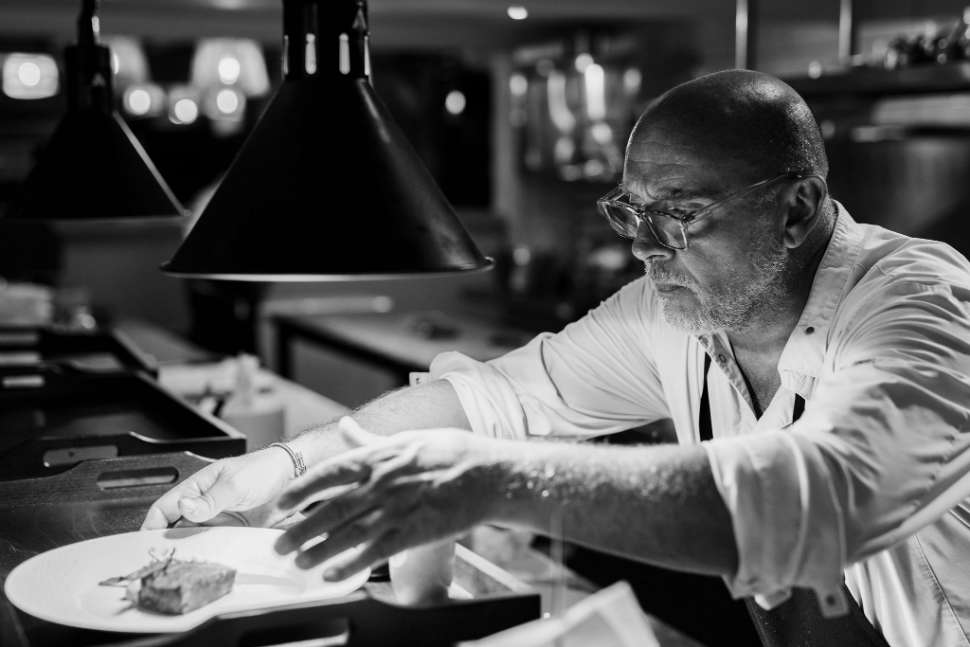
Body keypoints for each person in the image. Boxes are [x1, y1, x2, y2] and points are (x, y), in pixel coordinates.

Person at [143, 69, 970, 647]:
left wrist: (492, 480)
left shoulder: (920, 304)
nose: (646, 248)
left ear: (797, 208)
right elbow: (500, 398)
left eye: (680, 214)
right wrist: (289, 462)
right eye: (631, 213)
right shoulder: (672, 310)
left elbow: (819, 495)